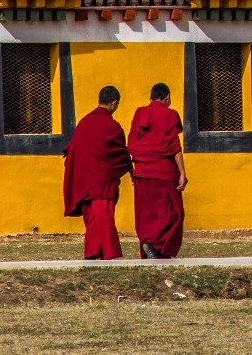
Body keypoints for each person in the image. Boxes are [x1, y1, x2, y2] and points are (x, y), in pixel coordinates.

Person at [63, 85, 132, 260]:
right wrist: (131, 169)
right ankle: (107, 252)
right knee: (103, 216)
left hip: (84, 181)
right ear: (114, 103)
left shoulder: (84, 122)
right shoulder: (112, 126)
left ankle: (94, 251)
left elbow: (72, 149)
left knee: (93, 219)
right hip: (103, 180)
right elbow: (120, 153)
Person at [127, 82, 188, 259]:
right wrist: (182, 172)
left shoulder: (139, 113)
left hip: (142, 173)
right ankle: (158, 247)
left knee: (148, 213)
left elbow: (132, 142)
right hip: (164, 173)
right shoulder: (170, 115)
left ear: (151, 98)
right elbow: (174, 145)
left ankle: (149, 243)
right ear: (167, 96)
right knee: (174, 212)